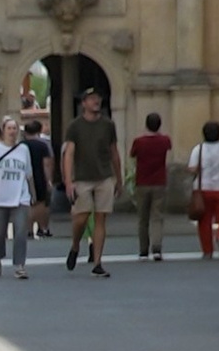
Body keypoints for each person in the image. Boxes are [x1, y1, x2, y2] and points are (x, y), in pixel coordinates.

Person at [63, 87, 119, 275]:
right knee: (81, 217)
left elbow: (114, 152)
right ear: (84, 103)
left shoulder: (108, 125)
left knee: (101, 218)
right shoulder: (75, 126)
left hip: (104, 176)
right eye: (92, 98)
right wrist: (69, 182)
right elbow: (69, 154)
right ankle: (75, 245)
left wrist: (118, 177)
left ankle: (97, 262)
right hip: (82, 177)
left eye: (98, 98)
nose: (96, 101)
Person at [0, 115, 37, 278]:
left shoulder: (23, 150)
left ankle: (20, 265)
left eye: (15, 128)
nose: (12, 131)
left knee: (20, 232)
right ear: (3, 131)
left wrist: (32, 194)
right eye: (9, 128)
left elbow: (28, 174)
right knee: (0, 234)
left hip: (20, 197)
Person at [186, 119, 219, 257]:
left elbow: (192, 169)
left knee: (204, 220)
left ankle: (207, 251)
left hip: (203, 189)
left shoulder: (198, 149)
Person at [128, 111, 172, 261]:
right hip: (159, 181)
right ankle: (157, 249)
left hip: (142, 182)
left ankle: (143, 250)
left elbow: (132, 155)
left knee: (143, 218)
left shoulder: (139, 142)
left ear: (146, 124)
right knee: (157, 217)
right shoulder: (165, 140)